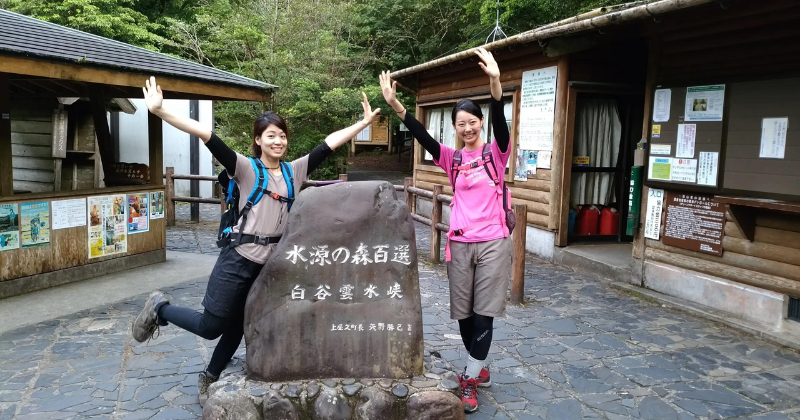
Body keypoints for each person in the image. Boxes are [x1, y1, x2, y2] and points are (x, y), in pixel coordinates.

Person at [131, 76, 381, 395]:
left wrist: (362, 123)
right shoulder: (246, 169)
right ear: (258, 140)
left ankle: (210, 375)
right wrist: (161, 111)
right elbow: (206, 134)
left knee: (238, 327)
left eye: (282, 136)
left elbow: (330, 144)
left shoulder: (294, 171)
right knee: (211, 327)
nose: (278, 141)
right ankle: (160, 308)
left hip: (268, 266)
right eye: (271, 136)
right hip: (237, 259)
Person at [380, 47, 511, 413]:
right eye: (460, 123)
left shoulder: (495, 154)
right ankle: (479, 366)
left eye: (472, 121)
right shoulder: (453, 160)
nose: (467, 128)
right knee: (465, 315)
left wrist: (495, 81)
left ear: (480, 123)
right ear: (454, 127)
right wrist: (397, 107)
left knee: (484, 313)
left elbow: (501, 119)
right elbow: (423, 137)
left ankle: (469, 379)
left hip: (493, 243)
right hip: (460, 244)